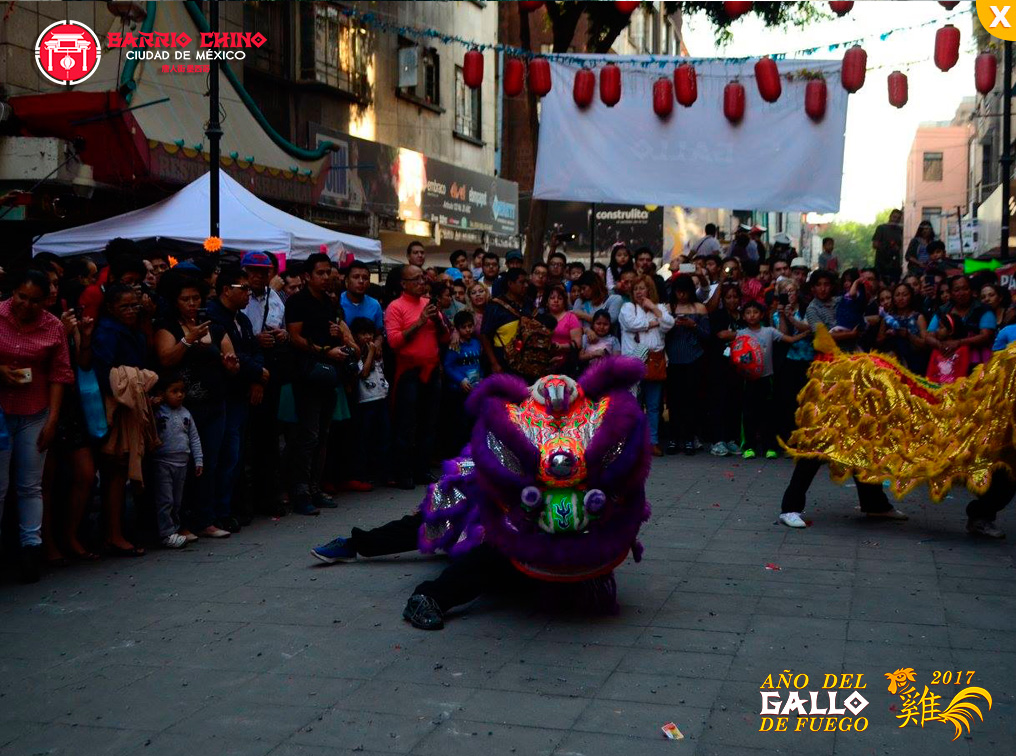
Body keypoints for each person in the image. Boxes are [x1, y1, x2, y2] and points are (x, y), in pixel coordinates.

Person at [0, 269, 74, 582]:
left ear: (45, 302)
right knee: (0, 487)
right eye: (21, 297)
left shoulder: (53, 326)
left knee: (30, 485)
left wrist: (53, 419)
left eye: (34, 300)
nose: (26, 305)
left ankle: (31, 548)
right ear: (12, 293)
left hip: (35, 411)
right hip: (1, 414)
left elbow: (60, 374)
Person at [154, 273, 238, 537]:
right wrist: (188, 340)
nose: (192, 303)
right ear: (174, 301)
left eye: (196, 298)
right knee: (183, 466)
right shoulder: (168, 327)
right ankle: (181, 522)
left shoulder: (213, 327)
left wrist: (231, 365)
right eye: (185, 299)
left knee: (209, 463)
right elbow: (166, 359)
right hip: (183, 409)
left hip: (215, 404)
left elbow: (230, 357)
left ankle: (206, 519)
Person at [285, 254, 357, 514]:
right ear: (307, 276)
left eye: (328, 272)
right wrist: (325, 351)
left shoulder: (329, 302)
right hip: (307, 375)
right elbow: (295, 338)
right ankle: (300, 491)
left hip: (329, 375)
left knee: (323, 435)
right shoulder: (297, 302)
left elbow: (335, 331)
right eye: (321, 273)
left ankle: (315, 488)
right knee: (308, 436)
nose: (326, 277)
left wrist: (338, 338)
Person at [91, 283, 150, 556]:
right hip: (115, 406)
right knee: (114, 471)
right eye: (124, 306)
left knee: (122, 469)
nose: (130, 311)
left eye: (133, 305)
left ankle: (117, 532)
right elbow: (105, 371)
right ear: (111, 307)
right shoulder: (107, 332)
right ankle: (112, 534)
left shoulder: (132, 329)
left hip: (131, 405)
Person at [207, 268, 264, 532]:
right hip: (223, 394)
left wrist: (257, 378)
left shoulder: (243, 319)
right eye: (243, 288)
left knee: (238, 454)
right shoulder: (214, 318)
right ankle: (219, 510)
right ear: (226, 290)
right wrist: (258, 372)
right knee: (225, 455)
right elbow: (236, 355)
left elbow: (253, 350)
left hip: (242, 393)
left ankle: (232, 506)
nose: (248, 293)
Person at [385, 264, 450, 489]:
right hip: (408, 372)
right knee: (406, 424)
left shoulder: (428, 303)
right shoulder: (395, 307)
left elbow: (445, 339)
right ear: (404, 284)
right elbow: (394, 342)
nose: (423, 283)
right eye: (417, 280)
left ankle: (422, 470)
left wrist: (439, 322)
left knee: (428, 423)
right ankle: (403, 473)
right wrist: (420, 322)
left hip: (431, 371)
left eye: (423, 278)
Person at [239, 251, 289, 517]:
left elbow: (282, 328)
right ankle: (244, 502)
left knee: (268, 439)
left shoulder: (277, 298)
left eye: (264, 271)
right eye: (254, 271)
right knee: (245, 442)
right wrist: (254, 342)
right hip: (246, 370)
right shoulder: (240, 299)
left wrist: (281, 335)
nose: (259, 276)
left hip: (271, 370)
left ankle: (266, 497)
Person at [738, 300, 804, 459]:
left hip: (767, 378)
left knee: (768, 413)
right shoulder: (741, 333)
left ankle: (770, 446)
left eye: (755, 312)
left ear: (761, 315)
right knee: (749, 413)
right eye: (748, 313)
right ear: (744, 316)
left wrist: (806, 333)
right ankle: (749, 446)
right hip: (749, 379)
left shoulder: (769, 331)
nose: (752, 315)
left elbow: (789, 339)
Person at [620, 275, 674, 456]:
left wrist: (653, 308)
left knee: (653, 405)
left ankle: (653, 442)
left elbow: (669, 324)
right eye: (635, 289)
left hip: (655, 360)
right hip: (633, 360)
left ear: (649, 290)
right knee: (633, 404)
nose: (638, 292)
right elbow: (632, 324)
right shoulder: (628, 307)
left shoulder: (658, 307)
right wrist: (653, 322)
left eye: (642, 288)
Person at [151, 372, 203, 549]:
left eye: (182, 391)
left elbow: (194, 438)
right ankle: (166, 533)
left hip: (182, 463)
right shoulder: (158, 413)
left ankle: (175, 528)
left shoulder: (186, 414)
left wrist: (199, 460)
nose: (180, 395)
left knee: (177, 500)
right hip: (163, 462)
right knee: (165, 499)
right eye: (174, 391)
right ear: (163, 393)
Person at [664, 276, 709, 455]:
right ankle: (675, 438)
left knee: (692, 401)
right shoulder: (668, 308)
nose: (681, 295)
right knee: (674, 402)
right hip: (673, 359)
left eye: (685, 291)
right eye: (678, 291)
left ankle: (690, 438)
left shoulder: (699, 308)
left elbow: (707, 335)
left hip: (694, 359)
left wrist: (693, 325)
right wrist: (670, 324)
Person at [925, 275, 997, 376]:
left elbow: (985, 336)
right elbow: (928, 336)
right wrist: (941, 346)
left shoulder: (983, 310)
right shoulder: (942, 310)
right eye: (957, 290)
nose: (961, 293)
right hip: (947, 364)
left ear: (971, 291)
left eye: (965, 289)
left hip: (977, 364)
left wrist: (958, 343)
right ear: (950, 293)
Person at [349, 317, 390, 489]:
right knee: (363, 438)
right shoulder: (357, 352)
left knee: (383, 436)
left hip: (381, 397)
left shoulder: (376, 349)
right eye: (363, 334)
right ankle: (361, 475)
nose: (367, 337)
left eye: (369, 333)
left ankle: (382, 473)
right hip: (365, 400)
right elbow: (363, 373)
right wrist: (371, 353)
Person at [772, 279, 814, 442]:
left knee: (806, 400)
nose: (789, 295)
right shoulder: (777, 314)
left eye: (792, 291)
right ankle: (789, 437)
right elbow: (782, 336)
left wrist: (793, 319)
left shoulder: (807, 310)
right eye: (785, 292)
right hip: (789, 360)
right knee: (788, 400)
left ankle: (806, 437)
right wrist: (783, 316)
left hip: (807, 358)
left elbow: (810, 329)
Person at [707, 283, 744, 457]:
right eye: (728, 297)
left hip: (739, 366)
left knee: (735, 403)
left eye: (735, 297)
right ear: (723, 299)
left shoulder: (743, 315)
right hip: (719, 365)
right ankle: (718, 440)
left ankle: (732, 439)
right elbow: (720, 335)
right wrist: (743, 334)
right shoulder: (718, 315)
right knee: (718, 402)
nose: (732, 300)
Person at [480, 268, 534, 376]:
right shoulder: (495, 307)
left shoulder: (528, 304)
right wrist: (494, 363)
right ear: (510, 283)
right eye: (522, 282)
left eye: (527, 282)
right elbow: (485, 336)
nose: (526, 286)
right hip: (502, 361)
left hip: (525, 362)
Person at [442, 310, 482, 451]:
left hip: (475, 389)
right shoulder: (455, 345)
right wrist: (460, 380)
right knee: (460, 423)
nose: (468, 330)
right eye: (464, 327)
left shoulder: (477, 343)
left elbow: (479, 364)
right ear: (457, 328)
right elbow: (448, 366)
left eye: (470, 326)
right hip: (459, 391)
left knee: (473, 421)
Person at [876, 283, 928, 373]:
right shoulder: (888, 318)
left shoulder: (918, 317)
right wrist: (888, 334)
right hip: (892, 364)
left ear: (911, 297)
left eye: (905, 295)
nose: (901, 298)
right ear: (894, 299)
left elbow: (925, 344)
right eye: (897, 295)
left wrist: (908, 335)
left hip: (915, 364)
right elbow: (879, 340)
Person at [545, 284, 582, 375]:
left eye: (560, 298)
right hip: (545, 364)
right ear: (547, 301)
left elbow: (578, 344)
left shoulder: (571, 317)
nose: (556, 301)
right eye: (552, 298)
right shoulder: (541, 318)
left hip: (567, 365)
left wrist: (561, 347)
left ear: (565, 302)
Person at [872, 208, 904, 284]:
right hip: (881, 264)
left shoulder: (900, 230)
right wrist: (887, 247)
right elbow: (875, 244)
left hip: (894, 266)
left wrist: (896, 248)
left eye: (898, 218)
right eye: (894, 217)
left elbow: (899, 247)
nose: (896, 220)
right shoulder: (881, 228)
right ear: (890, 217)